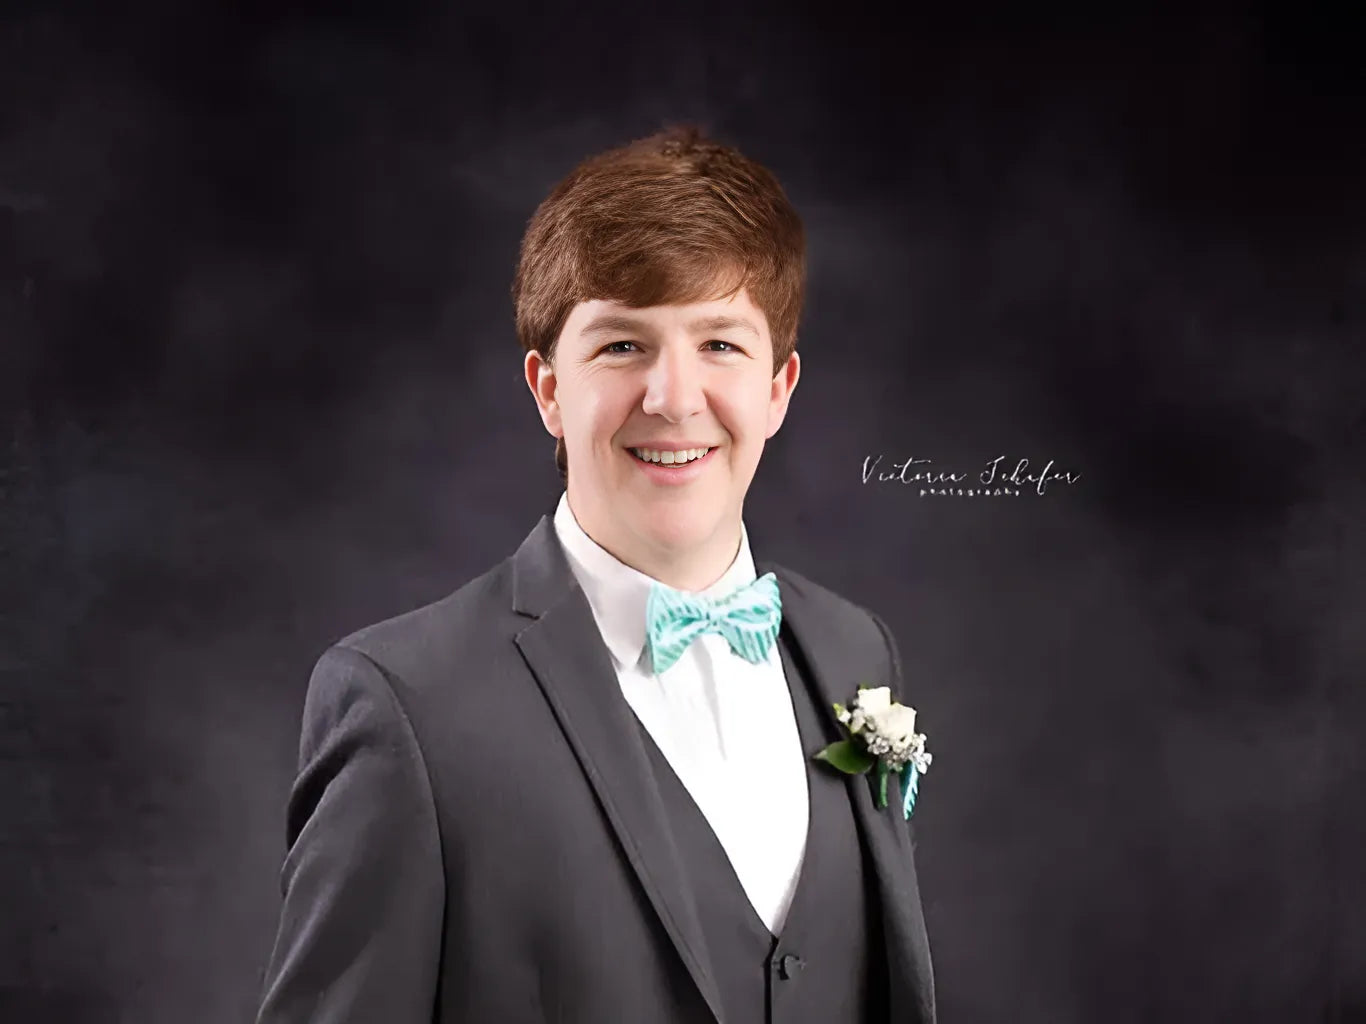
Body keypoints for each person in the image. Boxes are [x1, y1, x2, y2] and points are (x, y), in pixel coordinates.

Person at [254, 124, 936, 1024]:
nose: (674, 398)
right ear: (547, 390)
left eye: (720, 345)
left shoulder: (854, 648)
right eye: (623, 346)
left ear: (779, 388)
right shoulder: (406, 708)